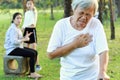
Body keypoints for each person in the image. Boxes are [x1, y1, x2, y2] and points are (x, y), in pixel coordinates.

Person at [47, 0, 110, 80]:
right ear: (74, 9)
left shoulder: (96, 24)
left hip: (92, 77)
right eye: (81, 13)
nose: (84, 17)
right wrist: (74, 45)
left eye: (88, 15)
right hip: (69, 77)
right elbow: (51, 54)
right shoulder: (61, 25)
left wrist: (102, 72)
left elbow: (103, 50)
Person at [4, 12, 42, 78]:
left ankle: (31, 72)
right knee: (32, 54)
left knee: (35, 52)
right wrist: (24, 39)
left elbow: (18, 39)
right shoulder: (13, 29)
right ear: (13, 19)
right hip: (12, 49)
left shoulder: (17, 28)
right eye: (17, 18)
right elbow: (14, 42)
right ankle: (32, 73)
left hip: (17, 47)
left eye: (21, 18)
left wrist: (24, 37)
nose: (19, 20)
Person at [22, 0, 41, 71]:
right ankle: (27, 66)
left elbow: (33, 24)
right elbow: (25, 23)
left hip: (32, 31)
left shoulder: (34, 11)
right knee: (26, 49)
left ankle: (37, 65)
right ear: (26, 5)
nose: (29, 5)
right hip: (26, 31)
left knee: (33, 49)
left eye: (30, 4)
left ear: (33, 5)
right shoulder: (26, 13)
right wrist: (22, 29)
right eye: (28, 4)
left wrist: (34, 8)